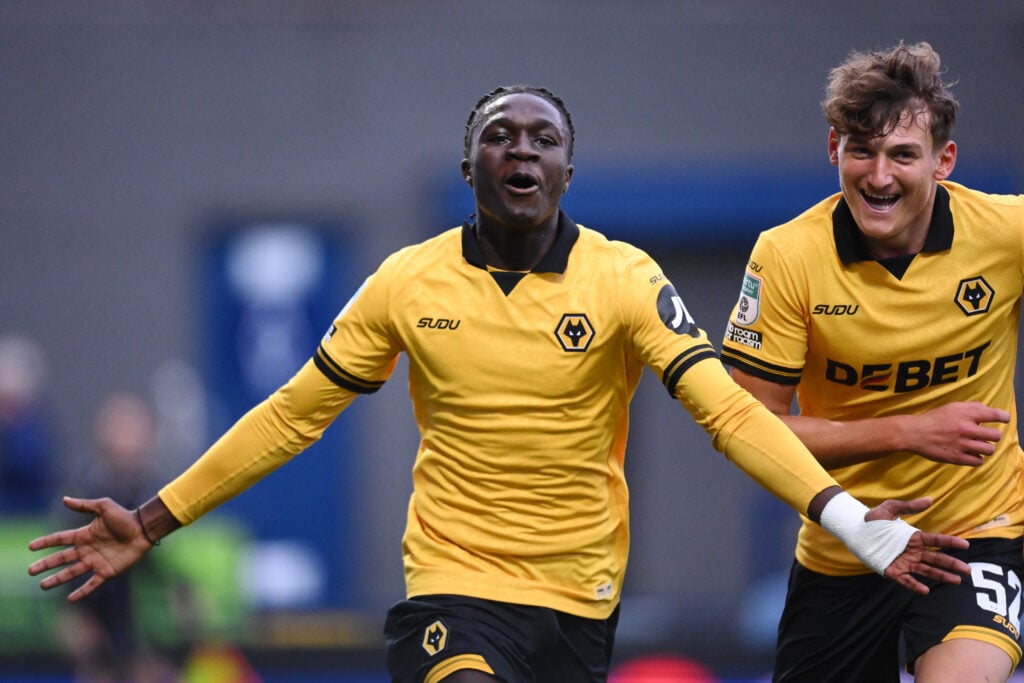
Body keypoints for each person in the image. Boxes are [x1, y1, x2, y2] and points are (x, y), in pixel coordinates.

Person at [30, 85, 970, 683]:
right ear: (470, 164)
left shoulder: (625, 278)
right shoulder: (406, 281)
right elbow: (289, 418)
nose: (522, 148)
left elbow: (728, 412)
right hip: (452, 581)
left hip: (578, 599)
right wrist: (152, 520)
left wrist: (856, 523)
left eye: (544, 136)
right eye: (499, 134)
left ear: (568, 167)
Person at [719, 43, 1024, 683]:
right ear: (834, 149)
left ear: (944, 161)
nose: (879, 175)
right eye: (862, 150)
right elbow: (748, 429)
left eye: (903, 154)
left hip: (978, 535)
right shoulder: (786, 257)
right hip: (849, 546)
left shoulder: (1005, 233)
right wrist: (909, 431)